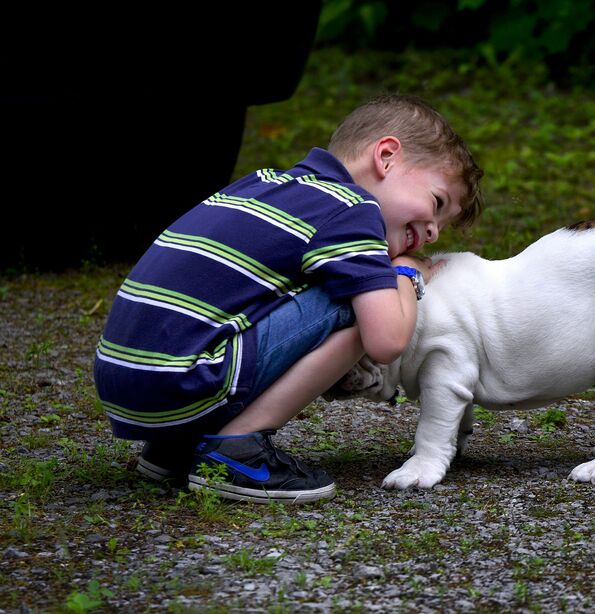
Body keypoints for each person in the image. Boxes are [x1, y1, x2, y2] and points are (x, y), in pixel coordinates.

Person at [93, 94, 483, 504]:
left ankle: (176, 447)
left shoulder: (262, 184)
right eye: (437, 204)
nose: (435, 233)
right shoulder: (352, 210)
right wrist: (404, 273)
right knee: (357, 297)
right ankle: (236, 449)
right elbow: (386, 341)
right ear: (385, 157)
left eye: (442, 224)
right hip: (184, 379)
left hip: (126, 382)